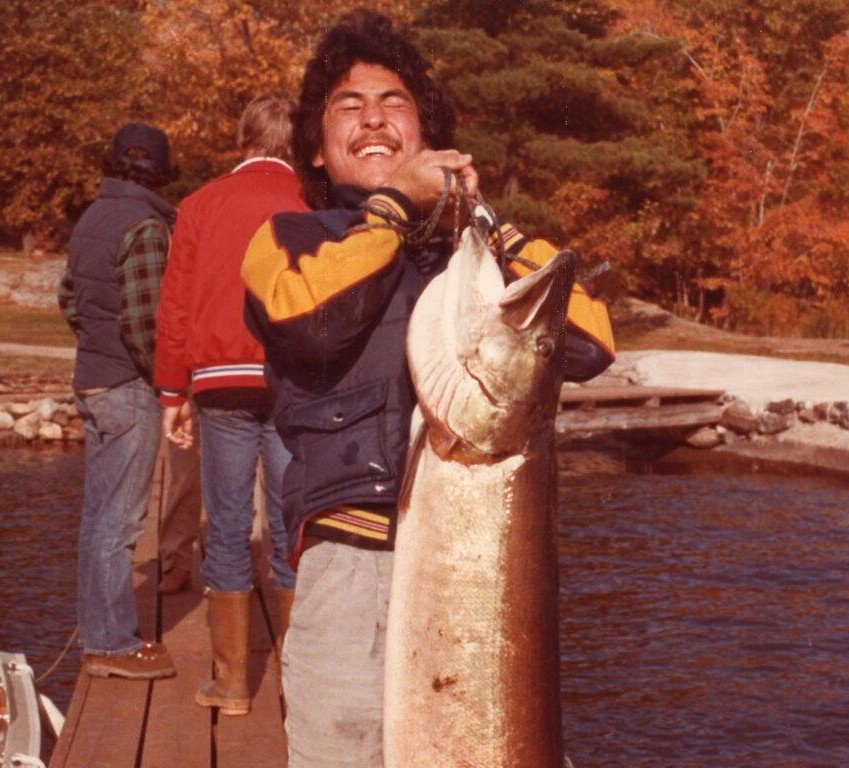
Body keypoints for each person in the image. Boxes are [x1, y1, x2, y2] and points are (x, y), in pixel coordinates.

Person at [240, 11, 616, 766]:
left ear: (429, 137)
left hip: (481, 561)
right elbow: (309, 323)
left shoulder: (471, 262)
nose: (374, 117)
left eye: (396, 103)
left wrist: (488, 224)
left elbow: (588, 342)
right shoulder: (289, 239)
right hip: (355, 565)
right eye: (349, 105)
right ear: (315, 145)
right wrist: (390, 210)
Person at [154, 93, 307, 716]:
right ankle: (299, 679)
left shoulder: (199, 204)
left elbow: (176, 306)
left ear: (244, 139)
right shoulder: (313, 201)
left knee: (226, 524)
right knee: (290, 524)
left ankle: (232, 683)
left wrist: (172, 391)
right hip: (292, 379)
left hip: (220, 381)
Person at [58, 122, 178, 680]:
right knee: (120, 525)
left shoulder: (91, 216)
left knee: (97, 521)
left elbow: (69, 298)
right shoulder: (146, 226)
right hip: (128, 388)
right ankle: (111, 645)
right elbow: (145, 324)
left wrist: (97, 343)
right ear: (160, 173)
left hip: (92, 380)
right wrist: (170, 387)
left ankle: (99, 636)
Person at [156, 405, 203, 596]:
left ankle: (246, 560)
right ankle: (177, 564)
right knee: (184, 478)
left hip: (245, 395)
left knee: (241, 478)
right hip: (189, 395)